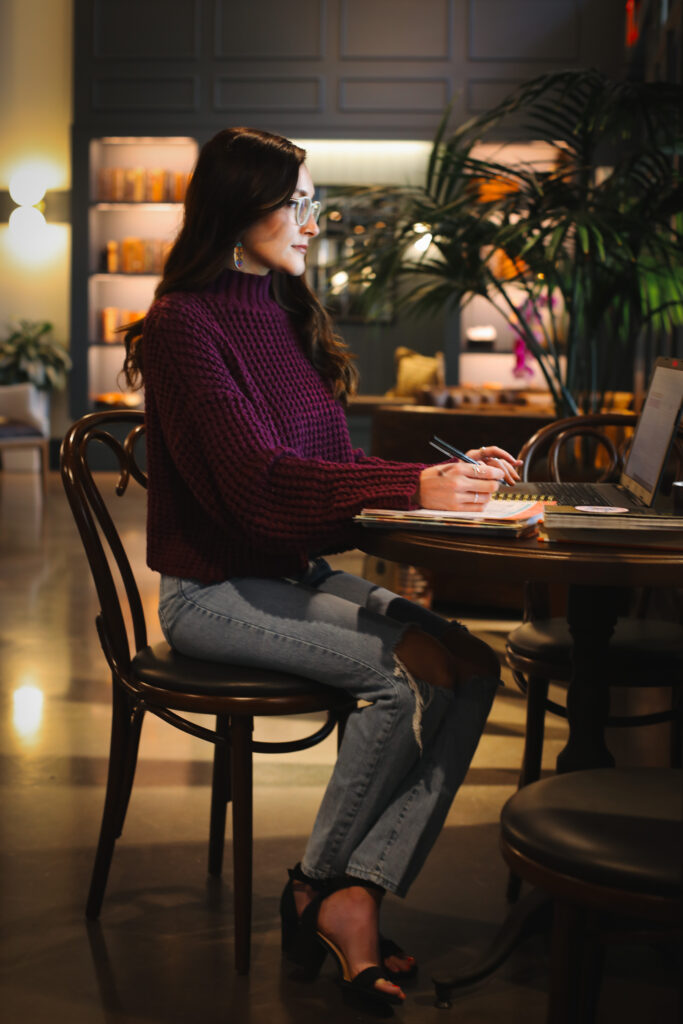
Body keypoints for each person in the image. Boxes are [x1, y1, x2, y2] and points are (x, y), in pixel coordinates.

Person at [122, 126, 521, 1013]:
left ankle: (350, 888)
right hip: (212, 593)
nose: (314, 220)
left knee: (472, 666)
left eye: (313, 203)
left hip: (287, 574)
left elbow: (323, 473)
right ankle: (319, 889)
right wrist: (414, 481)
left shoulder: (283, 309)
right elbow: (256, 490)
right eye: (297, 202)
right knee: (399, 682)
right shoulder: (186, 326)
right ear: (238, 210)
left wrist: (442, 484)